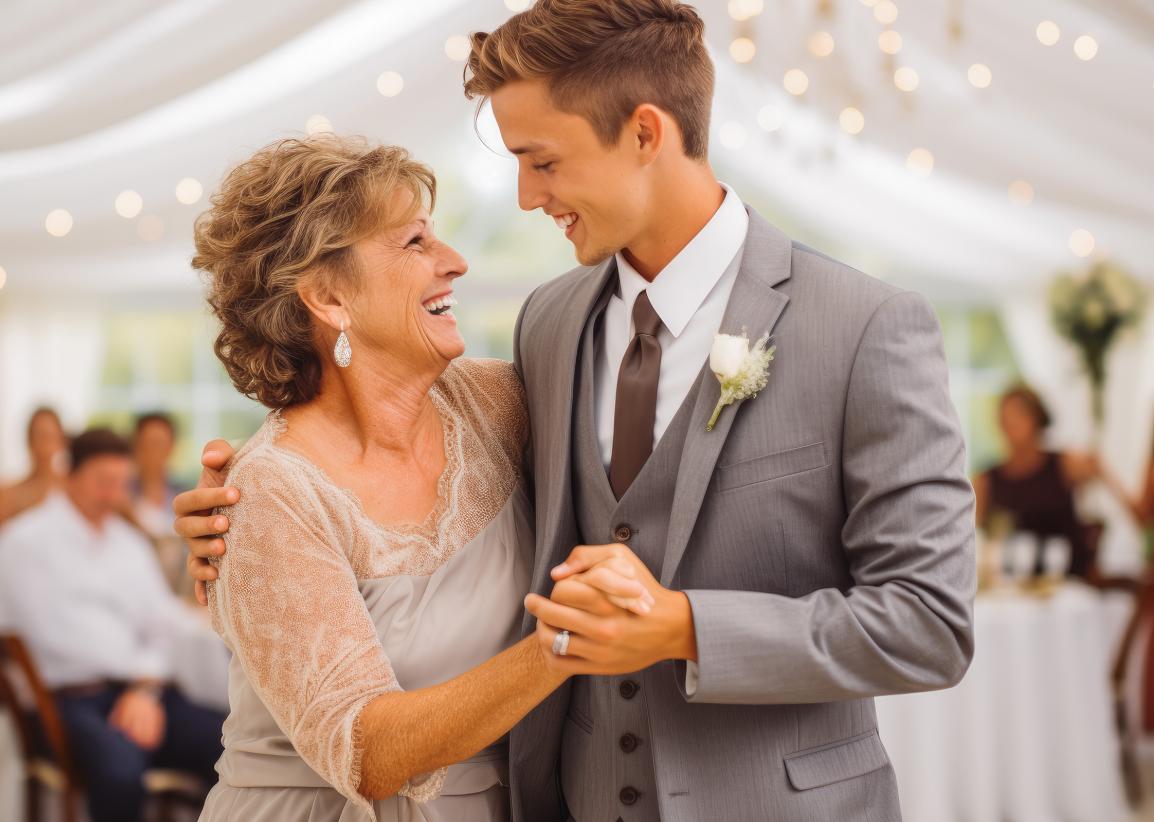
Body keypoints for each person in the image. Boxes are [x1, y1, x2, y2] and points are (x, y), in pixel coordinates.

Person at [178, 2, 976, 820]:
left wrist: (686, 627)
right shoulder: (549, 328)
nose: (526, 198)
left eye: (542, 160)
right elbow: (343, 480)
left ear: (643, 133)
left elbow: (931, 623)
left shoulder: (864, 325)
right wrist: (231, 530)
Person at [176, 134, 650, 822]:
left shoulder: (498, 405)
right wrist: (563, 644)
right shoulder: (268, 493)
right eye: (414, 243)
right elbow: (368, 755)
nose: (454, 262)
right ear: (328, 298)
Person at [0, 429, 225, 822]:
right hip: (64, 701)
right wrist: (135, 685)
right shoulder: (22, 544)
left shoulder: (128, 544)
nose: (114, 495)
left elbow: (161, 624)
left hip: (139, 692)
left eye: (121, 484)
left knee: (229, 743)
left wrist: (144, 689)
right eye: (103, 483)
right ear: (69, 476)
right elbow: (52, 641)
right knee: (120, 771)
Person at [973, 385, 1098, 577]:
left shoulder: (1065, 464)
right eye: (1005, 417)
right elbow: (977, 538)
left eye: (1019, 415)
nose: (1011, 422)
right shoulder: (986, 480)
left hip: (1067, 579)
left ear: (1037, 419)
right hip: (1011, 585)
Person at [0, 406, 68, 524]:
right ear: (29, 441)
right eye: (39, 436)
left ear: (61, 441)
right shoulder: (8, 495)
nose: (44, 445)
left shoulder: (72, 489)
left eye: (49, 437)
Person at [131, 412, 180, 540]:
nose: (153, 453)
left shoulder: (183, 493)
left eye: (159, 444)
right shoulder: (121, 495)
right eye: (147, 445)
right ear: (136, 446)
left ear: (171, 447)